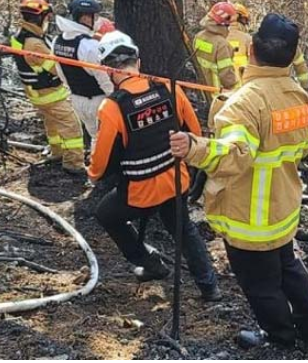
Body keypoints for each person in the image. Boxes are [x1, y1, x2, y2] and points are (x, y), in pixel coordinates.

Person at [170, 14, 308, 350]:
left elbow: (233, 157)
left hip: (249, 216)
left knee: (261, 284)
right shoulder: (301, 99)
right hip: (283, 208)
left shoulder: (244, 103)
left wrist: (193, 147)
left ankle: (281, 338)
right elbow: (302, 148)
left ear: (251, 49)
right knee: (289, 268)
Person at [88, 31, 220, 301]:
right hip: (176, 180)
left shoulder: (111, 108)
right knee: (184, 230)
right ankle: (209, 287)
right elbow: (194, 133)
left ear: (108, 69)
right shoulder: (170, 89)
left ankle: (148, 262)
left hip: (140, 192)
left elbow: (100, 167)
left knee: (105, 213)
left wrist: (92, 173)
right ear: (138, 61)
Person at [11, 0, 85, 175]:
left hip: (37, 94)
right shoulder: (35, 44)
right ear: (39, 17)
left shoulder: (22, 35)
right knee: (71, 126)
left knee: (52, 124)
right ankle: (73, 163)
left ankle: (57, 152)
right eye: (46, 17)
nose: (48, 20)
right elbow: (56, 69)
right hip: (50, 94)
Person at [53, 0, 114, 147]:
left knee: (95, 136)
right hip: (97, 100)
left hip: (77, 98)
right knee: (107, 140)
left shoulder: (58, 41)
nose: (98, 20)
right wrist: (116, 98)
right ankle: (103, 169)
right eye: (96, 16)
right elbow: (103, 79)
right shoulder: (88, 46)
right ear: (86, 18)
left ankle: (95, 167)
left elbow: (61, 72)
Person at [227, 3, 308, 91]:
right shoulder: (249, 40)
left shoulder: (219, 39)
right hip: (272, 90)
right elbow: (301, 68)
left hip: (225, 91)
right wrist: (306, 89)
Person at [193, 2, 239, 101]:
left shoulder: (199, 36)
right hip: (216, 95)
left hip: (200, 91)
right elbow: (226, 76)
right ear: (224, 23)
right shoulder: (222, 44)